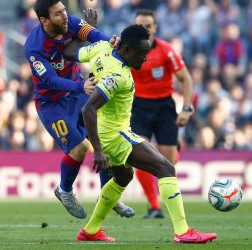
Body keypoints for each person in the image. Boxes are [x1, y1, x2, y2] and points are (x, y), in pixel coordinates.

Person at [64, 24, 217, 243]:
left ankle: (90, 230)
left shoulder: (101, 47)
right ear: (125, 50)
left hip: (107, 131)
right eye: (142, 54)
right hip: (114, 135)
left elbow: (69, 52)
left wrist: (83, 32)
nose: (145, 59)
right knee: (166, 168)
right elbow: (88, 108)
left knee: (124, 176)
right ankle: (183, 232)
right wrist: (97, 150)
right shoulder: (118, 76)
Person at [24, 0, 134, 219]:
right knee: (80, 149)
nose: (64, 16)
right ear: (44, 20)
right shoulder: (34, 47)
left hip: (77, 91)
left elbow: (93, 34)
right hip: (51, 103)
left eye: (64, 10)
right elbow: (50, 80)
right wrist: (80, 87)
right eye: (58, 13)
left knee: (102, 140)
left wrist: (109, 40)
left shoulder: (70, 23)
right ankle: (64, 191)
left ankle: (109, 196)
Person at [131, 10, 194, 218]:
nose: (144, 29)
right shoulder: (127, 50)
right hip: (139, 107)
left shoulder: (166, 50)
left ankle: (177, 148)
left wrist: (186, 108)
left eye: (148, 26)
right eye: (140, 25)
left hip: (164, 107)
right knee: (140, 155)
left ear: (155, 28)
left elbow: (186, 79)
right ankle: (154, 206)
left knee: (168, 164)